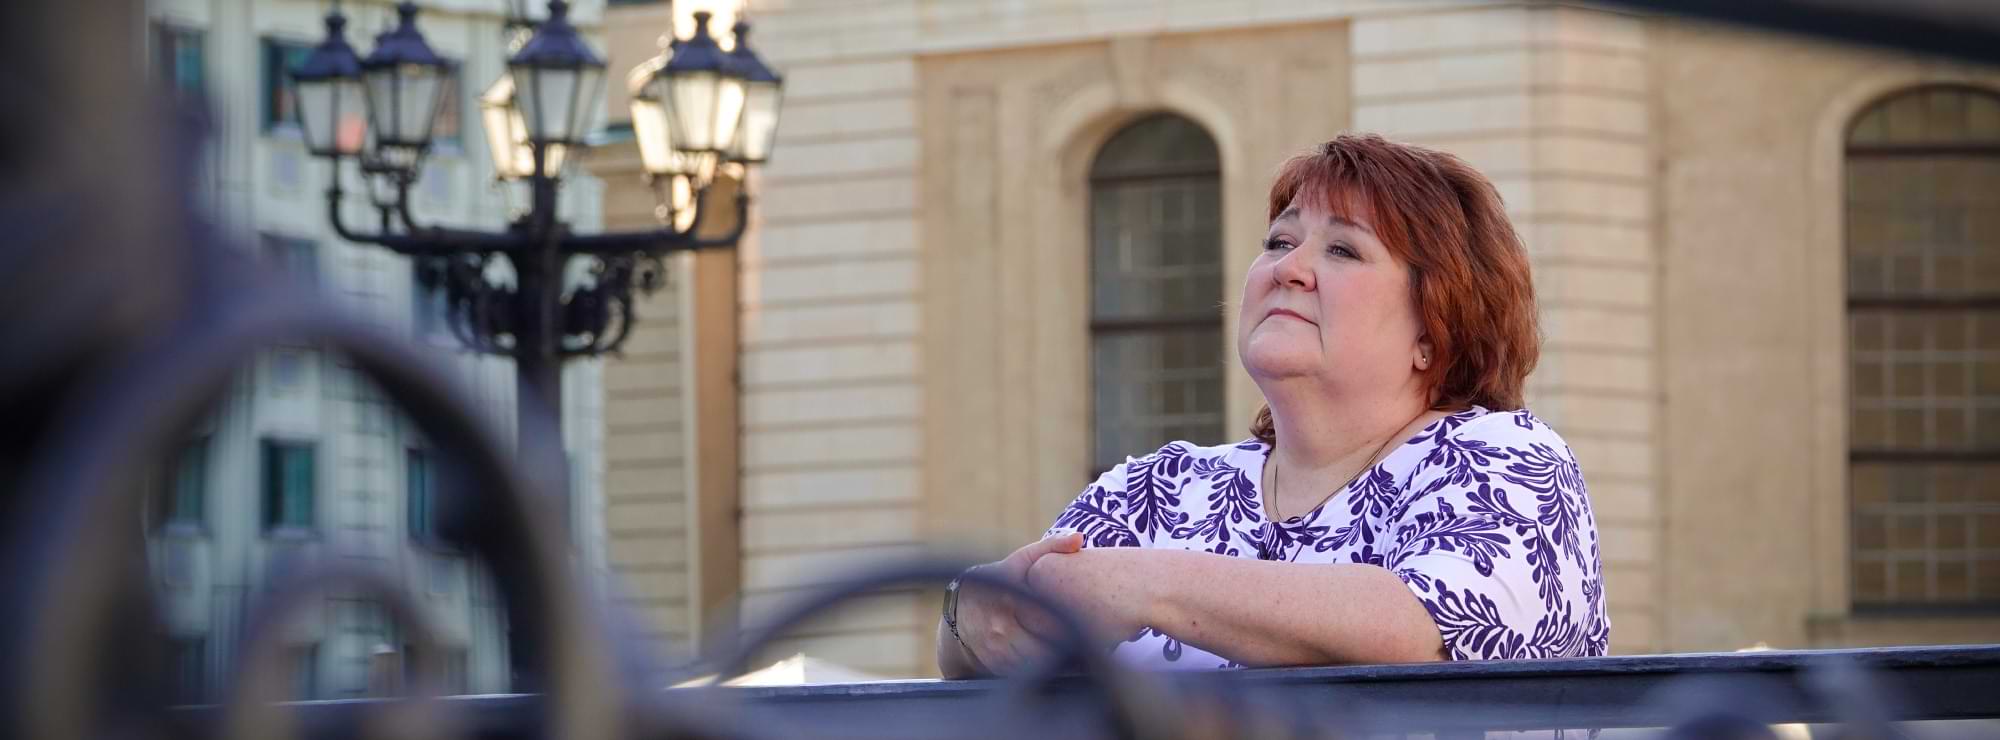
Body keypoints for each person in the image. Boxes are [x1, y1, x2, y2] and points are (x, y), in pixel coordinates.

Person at [937, 134, 1608, 677]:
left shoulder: (1508, 458)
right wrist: (975, 612)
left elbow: (1428, 623)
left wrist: (1146, 585)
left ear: (1435, 330)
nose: (1289, 267)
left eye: (1344, 248)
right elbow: (984, 649)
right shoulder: (1159, 490)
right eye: (1280, 242)